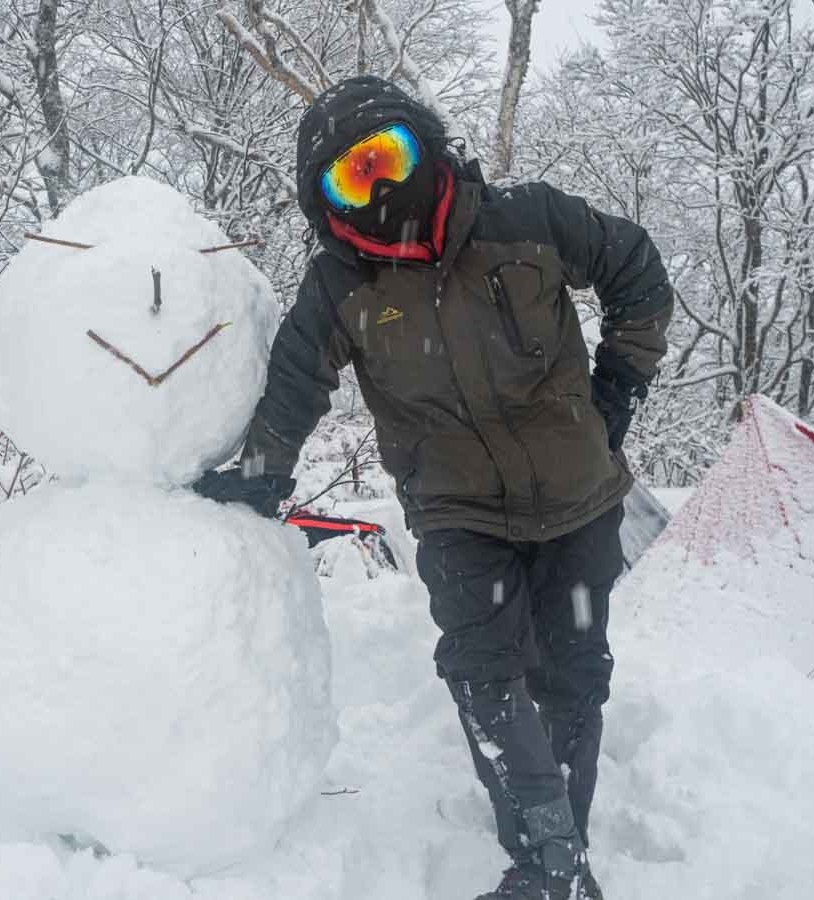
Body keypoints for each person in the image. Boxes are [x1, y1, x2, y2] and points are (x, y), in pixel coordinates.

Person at [194, 76, 673, 900]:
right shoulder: (341, 283)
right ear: (325, 200)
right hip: (456, 512)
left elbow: (636, 268)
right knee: (484, 674)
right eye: (351, 178)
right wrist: (262, 473)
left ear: (424, 141)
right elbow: (296, 381)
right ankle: (546, 868)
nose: (377, 187)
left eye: (387, 157)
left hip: (577, 499)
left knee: (569, 672)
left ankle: (565, 851)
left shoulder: (527, 218)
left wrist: (618, 388)